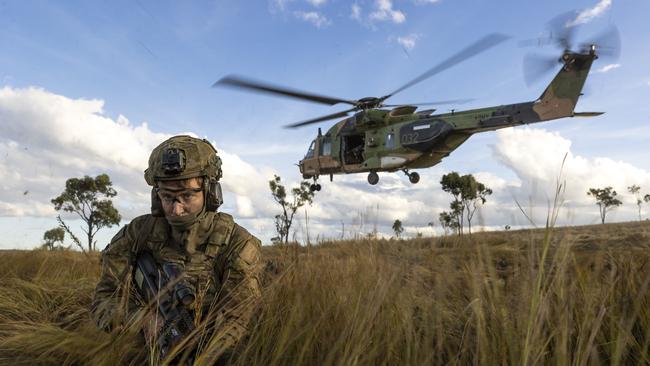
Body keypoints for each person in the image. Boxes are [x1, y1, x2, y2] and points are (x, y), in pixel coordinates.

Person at [91, 135, 262, 363]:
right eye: (167, 196)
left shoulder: (237, 243)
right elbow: (104, 298)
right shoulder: (138, 233)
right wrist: (141, 320)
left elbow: (239, 321)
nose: (176, 208)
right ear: (156, 195)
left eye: (187, 195)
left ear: (210, 192)